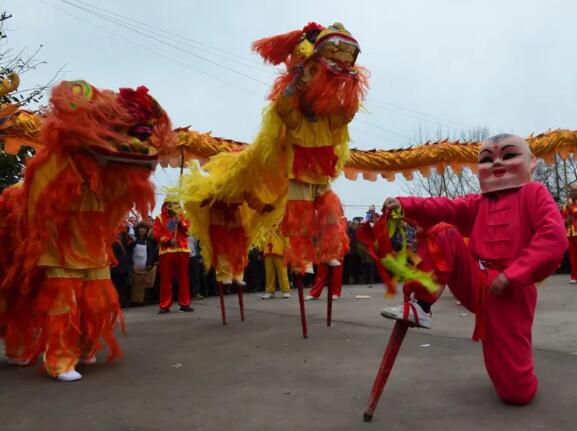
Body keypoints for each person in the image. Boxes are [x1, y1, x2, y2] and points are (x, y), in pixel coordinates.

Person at [380, 134, 567, 405]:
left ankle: (520, 378)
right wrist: (405, 203)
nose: (497, 164)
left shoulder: (534, 193)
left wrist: (513, 275)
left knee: (515, 393)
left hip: (512, 292)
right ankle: (420, 306)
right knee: (443, 232)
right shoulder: (481, 202)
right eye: (487, 159)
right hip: (477, 282)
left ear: (532, 163)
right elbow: (445, 207)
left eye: (509, 155)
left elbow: (553, 238)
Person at [153, 201, 193, 314]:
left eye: (176, 203)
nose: (173, 206)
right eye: (170, 203)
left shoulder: (183, 216)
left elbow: (189, 232)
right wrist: (168, 240)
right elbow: (156, 235)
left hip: (182, 250)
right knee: (165, 279)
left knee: (184, 279)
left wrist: (181, 223)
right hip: (166, 252)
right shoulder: (159, 218)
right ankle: (165, 305)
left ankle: (184, 304)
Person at [261, 225, 291, 299]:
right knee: (269, 273)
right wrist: (261, 249)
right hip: (267, 251)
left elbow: (286, 237)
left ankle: (286, 290)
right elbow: (262, 238)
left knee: (282, 272)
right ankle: (270, 291)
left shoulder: (282, 224)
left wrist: (287, 249)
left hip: (279, 251)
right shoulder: (266, 225)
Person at [561, 186, 577, 283]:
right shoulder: (566, 205)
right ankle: (574, 276)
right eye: (571, 191)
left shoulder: (571, 205)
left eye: (575, 191)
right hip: (570, 233)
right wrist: (565, 221)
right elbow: (562, 218)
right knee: (572, 256)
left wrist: (571, 208)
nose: (573, 193)